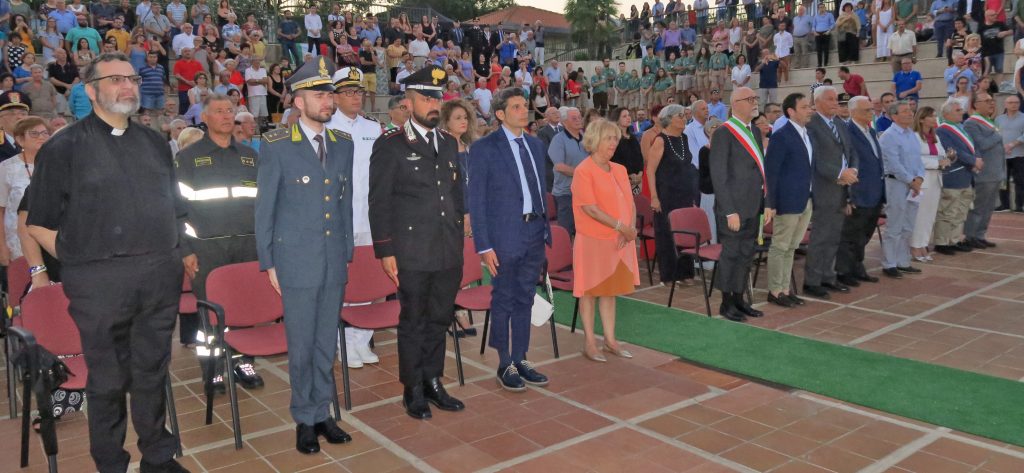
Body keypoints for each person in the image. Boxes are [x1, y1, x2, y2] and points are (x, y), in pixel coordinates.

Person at [25, 52, 190, 473]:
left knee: (152, 371)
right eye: (115, 80)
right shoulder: (63, 147)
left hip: (158, 277)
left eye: (131, 78)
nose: (127, 86)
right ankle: (111, 463)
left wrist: (177, 253)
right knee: (109, 380)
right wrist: (80, 260)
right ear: (91, 90)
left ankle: (158, 457)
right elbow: (37, 222)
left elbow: (175, 208)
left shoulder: (155, 142)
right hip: (99, 285)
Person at [254, 57, 355, 454]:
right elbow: (265, 208)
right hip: (295, 260)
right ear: (299, 101)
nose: (328, 101)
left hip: (332, 258)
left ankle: (323, 412)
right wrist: (268, 262)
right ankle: (304, 419)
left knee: (325, 341)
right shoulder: (278, 146)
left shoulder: (342, 144)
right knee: (301, 344)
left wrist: (346, 252)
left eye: (330, 94)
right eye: (319, 95)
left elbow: (344, 202)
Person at [368, 65, 467, 419]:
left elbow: (456, 195)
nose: (433, 104)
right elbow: (379, 201)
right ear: (408, 103)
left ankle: (433, 380)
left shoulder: (448, 143)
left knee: (440, 317)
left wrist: (460, 237)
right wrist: (385, 250)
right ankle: (413, 388)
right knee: (413, 320)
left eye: (437, 98)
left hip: (447, 248)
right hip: (411, 251)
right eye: (426, 98)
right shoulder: (391, 145)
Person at [176, 93, 266, 392]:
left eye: (230, 110)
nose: (227, 116)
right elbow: (176, 209)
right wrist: (186, 250)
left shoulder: (250, 156)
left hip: (247, 247)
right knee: (210, 314)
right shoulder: (188, 158)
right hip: (207, 249)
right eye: (219, 111)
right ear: (204, 118)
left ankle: (243, 362)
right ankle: (212, 371)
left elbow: (264, 204)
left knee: (245, 307)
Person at [468, 87, 551, 392]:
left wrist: (544, 228)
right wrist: (484, 245)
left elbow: (539, 188)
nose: (523, 110)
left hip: (534, 232)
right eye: (515, 107)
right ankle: (505, 362)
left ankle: (521, 357)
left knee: (525, 296)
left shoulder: (535, 145)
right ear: (501, 114)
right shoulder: (485, 148)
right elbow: (476, 200)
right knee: (503, 296)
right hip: (504, 235)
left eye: (524, 105)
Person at [323, 66, 383, 368]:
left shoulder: (373, 128)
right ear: (335, 97)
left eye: (358, 91)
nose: (355, 97)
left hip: (370, 218)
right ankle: (342, 343)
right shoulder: (325, 128)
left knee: (369, 280)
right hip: (340, 219)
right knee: (342, 281)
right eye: (348, 92)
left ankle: (361, 340)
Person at [572, 118, 640, 362]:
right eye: (608, 138)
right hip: (593, 241)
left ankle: (610, 340)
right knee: (589, 292)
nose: (613, 143)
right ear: (595, 140)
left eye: (615, 138)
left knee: (610, 291)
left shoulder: (619, 169)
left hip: (619, 240)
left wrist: (629, 229)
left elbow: (630, 203)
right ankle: (590, 342)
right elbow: (590, 209)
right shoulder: (583, 171)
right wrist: (622, 227)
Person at [709, 87, 766, 322]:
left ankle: (739, 299)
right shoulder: (724, 133)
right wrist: (729, 210)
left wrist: (766, 204)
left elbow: (760, 171)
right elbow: (719, 175)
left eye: (755, 98)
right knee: (731, 255)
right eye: (750, 99)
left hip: (753, 205)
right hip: (732, 208)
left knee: (746, 255)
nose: (755, 102)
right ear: (735, 104)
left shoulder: (754, 130)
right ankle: (726, 303)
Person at [803, 86, 860, 299]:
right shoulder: (811, 124)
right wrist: (839, 173)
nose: (835, 103)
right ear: (817, 102)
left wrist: (852, 171)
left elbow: (851, 151)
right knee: (821, 236)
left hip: (842, 187)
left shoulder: (839, 123)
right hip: (824, 187)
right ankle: (812, 281)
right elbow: (815, 158)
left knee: (834, 235)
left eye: (836, 99)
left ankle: (828, 275)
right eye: (830, 99)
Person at [764, 93, 814, 308]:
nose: (809, 110)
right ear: (791, 111)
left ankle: (785, 288)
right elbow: (771, 172)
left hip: (805, 198)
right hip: (787, 200)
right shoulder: (781, 136)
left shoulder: (806, 134)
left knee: (792, 247)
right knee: (780, 246)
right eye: (804, 107)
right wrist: (771, 203)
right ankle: (775, 290)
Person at [646, 103, 699, 286]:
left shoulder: (684, 138)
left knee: (685, 231)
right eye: (680, 116)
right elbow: (650, 170)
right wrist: (654, 197)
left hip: (684, 194)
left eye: (684, 115)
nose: (684, 119)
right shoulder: (660, 141)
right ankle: (668, 275)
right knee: (666, 234)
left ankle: (685, 273)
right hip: (666, 195)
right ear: (669, 120)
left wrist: (692, 197)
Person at [836, 96, 886, 286]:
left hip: (874, 192)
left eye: (871, 109)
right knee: (850, 235)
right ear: (853, 112)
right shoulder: (847, 131)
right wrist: (848, 196)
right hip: (858, 191)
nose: (871, 113)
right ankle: (844, 271)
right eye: (867, 110)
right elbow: (846, 163)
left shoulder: (870, 131)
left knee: (864, 234)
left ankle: (857, 267)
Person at [878, 99, 926, 277]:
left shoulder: (911, 134)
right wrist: (911, 180)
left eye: (910, 110)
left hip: (913, 184)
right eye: (905, 111)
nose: (910, 113)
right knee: (894, 225)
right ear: (894, 116)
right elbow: (893, 163)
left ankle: (903, 261)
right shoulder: (889, 136)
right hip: (896, 184)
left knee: (908, 225)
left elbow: (918, 160)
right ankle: (889, 263)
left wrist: (919, 178)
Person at [0, 116, 49, 269]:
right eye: (34, 133)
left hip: (50, 242)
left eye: (45, 133)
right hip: (17, 244)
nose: (41, 137)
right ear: (20, 140)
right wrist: (2, 247)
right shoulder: (7, 168)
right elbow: (1, 210)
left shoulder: (57, 165)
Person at [933, 98, 980, 255]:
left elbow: (972, 147)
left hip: (966, 175)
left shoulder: (961, 128)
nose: (962, 112)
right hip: (953, 176)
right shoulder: (942, 130)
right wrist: (973, 161)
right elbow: (952, 150)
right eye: (958, 110)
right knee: (948, 211)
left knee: (961, 211)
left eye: (961, 110)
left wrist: (977, 159)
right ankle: (941, 242)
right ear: (946, 114)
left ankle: (954, 240)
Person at [963, 93, 1005, 248]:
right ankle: (970, 236)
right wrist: (997, 134)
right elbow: (981, 144)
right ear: (976, 104)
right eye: (987, 101)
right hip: (984, 173)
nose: (991, 103)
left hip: (995, 171)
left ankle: (980, 235)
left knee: (989, 207)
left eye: (992, 100)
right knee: (979, 206)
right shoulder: (971, 123)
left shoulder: (990, 122)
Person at [911, 106, 950, 261]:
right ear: (921, 119)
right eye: (931, 116)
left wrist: (947, 159)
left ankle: (923, 244)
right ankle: (915, 246)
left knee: (930, 215)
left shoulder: (935, 137)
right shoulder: (914, 136)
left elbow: (941, 154)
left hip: (936, 179)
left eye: (935, 115)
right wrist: (936, 163)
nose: (935, 119)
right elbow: (914, 159)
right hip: (923, 180)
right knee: (920, 215)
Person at [547, 106, 586, 237]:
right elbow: (559, 166)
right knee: (566, 232)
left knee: (583, 232)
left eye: (579, 117)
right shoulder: (558, 140)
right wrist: (583, 173)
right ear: (564, 122)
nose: (578, 120)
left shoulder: (586, 138)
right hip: (566, 194)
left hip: (584, 192)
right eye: (574, 118)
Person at [997, 96, 1024, 212]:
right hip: (1003, 154)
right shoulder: (999, 119)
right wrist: (1003, 147)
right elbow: (996, 134)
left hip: (1020, 154)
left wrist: (1012, 144)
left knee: (1020, 180)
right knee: (1003, 180)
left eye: (1016, 102)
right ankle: (1005, 205)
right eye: (1011, 102)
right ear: (1005, 104)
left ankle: (1019, 206)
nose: (1014, 104)